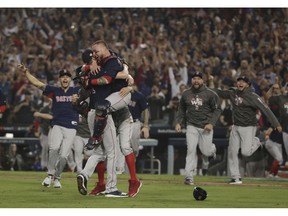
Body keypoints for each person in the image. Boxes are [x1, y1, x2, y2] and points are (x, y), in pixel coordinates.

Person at [75, 42, 137, 197]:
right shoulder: (102, 68)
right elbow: (118, 76)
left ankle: (84, 174)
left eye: (96, 53)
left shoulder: (91, 69)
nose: (95, 56)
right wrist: (128, 79)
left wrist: (90, 68)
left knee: (99, 152)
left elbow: (81, 72)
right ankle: (111, 188)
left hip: (91, 114)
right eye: (93, 55)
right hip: (102, 113)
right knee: (112, 152)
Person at [209, 75, 282, 184]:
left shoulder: (253, 96)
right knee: (232, 151)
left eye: (243, 81)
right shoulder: (233, 92)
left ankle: (256, 142)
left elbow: (265, 109)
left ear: (248, 84)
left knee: (246, 152)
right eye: (239, 81)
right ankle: (236, 177)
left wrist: (276, 123)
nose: (240, 83)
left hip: (248, 127)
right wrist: (209, 84)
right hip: (236, 126)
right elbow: (219, 93)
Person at [18, 64, 80, 188]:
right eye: (62, 77)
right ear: (59, 79)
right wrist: (26, 73)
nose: (65, 78)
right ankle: (50, 175)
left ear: (70, 79)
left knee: (64, 155)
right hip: (57, 124)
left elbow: (90, 92)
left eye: (67, 76)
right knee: (53, 149)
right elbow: (37, 84)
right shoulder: (54, 91)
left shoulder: (77, 91)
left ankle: (57, 177)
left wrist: (79, 99)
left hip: (72, 126)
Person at [175, 71, 221, 185]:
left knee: (206, 151)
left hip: (206, 126)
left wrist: (211, 123)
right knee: (190, 150)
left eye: (198, 78)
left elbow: (217, 110)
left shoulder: (210, 94)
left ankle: (212, 149)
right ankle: (189, 176)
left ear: (203, 80)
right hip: (191, 125)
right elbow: (181, 109)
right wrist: (178, 122)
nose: (196, 81)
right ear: (191, 80)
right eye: (194, 78)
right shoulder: (186, 94)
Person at [33, 97, 52, 171]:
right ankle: (44, 166)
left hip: (55, 132)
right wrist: (37, 131)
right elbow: (37, 121)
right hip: (45, 132)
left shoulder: (57, 109)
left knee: (54, 150)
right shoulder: (44, 109)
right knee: (45, 148)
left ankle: (53, 166)